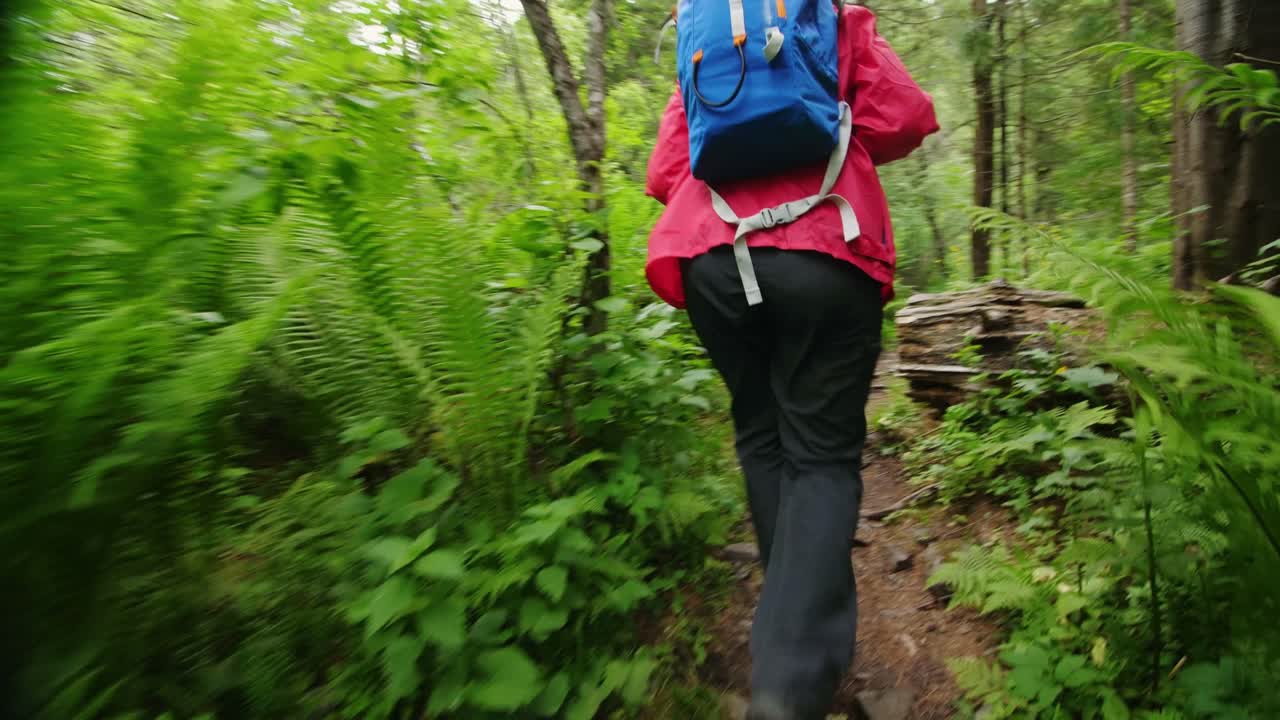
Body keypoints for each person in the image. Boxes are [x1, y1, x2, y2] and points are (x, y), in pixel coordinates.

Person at [644, 5, 939, 718]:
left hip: (711, 254)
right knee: (821, 457)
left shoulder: (710, 42)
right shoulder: (838, 24)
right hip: (824, 246)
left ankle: (792, 622)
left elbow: (664, 172)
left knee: (761, 434)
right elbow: (906, 118)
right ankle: (788, 687)